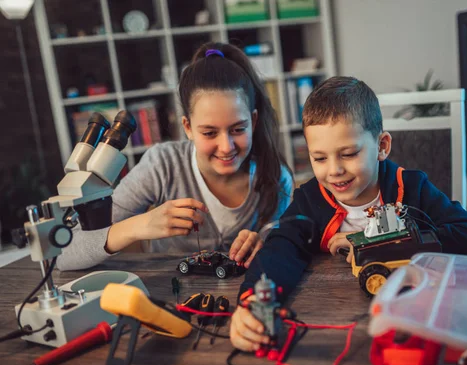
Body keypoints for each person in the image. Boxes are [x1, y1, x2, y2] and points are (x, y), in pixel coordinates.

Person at [229, 76, 467, 352]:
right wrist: (252, 302)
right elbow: (281, 248)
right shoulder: (310, 199)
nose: (334, 171)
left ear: (382, 146)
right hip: (337, 326)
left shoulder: (413, 188)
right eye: (319, 158)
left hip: (419, 320)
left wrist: (368, 240)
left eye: (349, 153)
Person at [57, 43, 293, 271]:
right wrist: (140, 225)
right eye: (209, 132)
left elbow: (286, 246)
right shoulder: (162, 165)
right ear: (187, 127)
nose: (226, 147)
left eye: (238, 130)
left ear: (252, 121)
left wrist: (268, 245)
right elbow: (64, 254)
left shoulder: (275, 176)